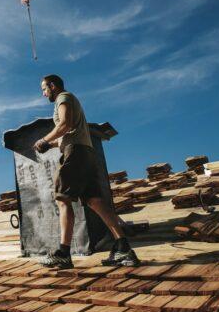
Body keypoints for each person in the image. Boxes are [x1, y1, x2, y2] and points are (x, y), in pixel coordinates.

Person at [34, 74, 140, 269]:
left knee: (62, 199)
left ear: (53, 85)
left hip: (75, 153)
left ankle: (63, 254)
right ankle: (123, 248)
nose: (43, 93)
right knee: (95, 201)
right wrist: (51, 145)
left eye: (44, 88)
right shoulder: (70, 100)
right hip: (86, 153)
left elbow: (64, 124)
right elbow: (69, 131)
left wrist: (44, 140)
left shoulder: (62, 98)